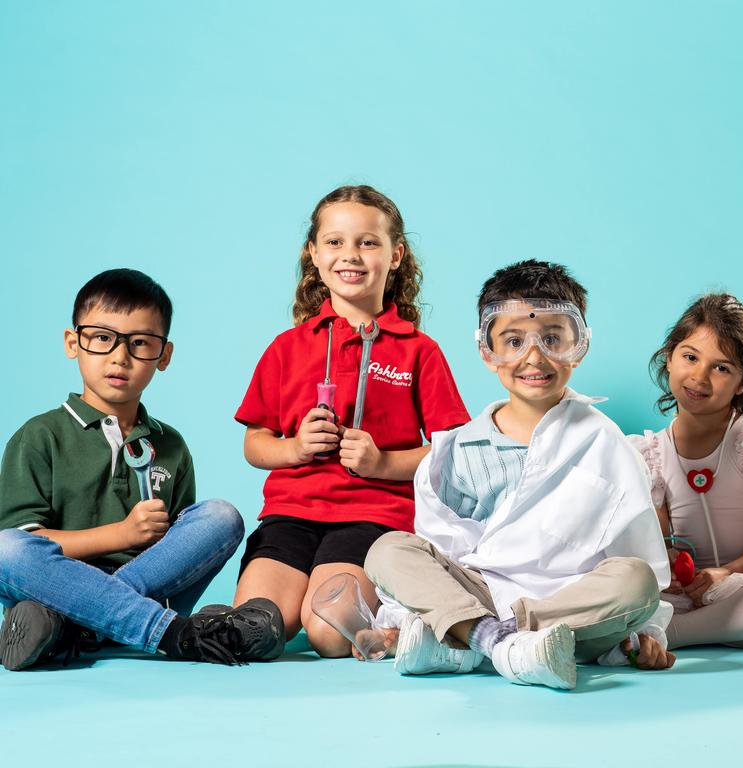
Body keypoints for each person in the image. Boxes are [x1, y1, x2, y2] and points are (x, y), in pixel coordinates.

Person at [365, 259, 674, 690]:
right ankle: (496, 642)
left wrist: (648, 632)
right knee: (388, 549)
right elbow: (440, 552)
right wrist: (411, 614)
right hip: (478, 597)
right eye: (513, 341)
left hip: (569, 615)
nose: (534, 357)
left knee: (636, 580)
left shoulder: (607, 443)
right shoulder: (455, 450)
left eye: (552, 338)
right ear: (486, 351)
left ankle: (473, 644)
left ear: (579, 346)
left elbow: (641, 558)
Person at [0, 268, 284, 671]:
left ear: (163, 355)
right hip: (55, 587)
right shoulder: (39, 437)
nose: (120, 357)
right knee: (5, 548)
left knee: (221, 516)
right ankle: (171, 633)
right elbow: (27, 542)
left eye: (140, 344)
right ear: (72, 343)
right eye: (102, 338)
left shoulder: (170, 445)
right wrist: (121, 534)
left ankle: (78, 627)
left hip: (146, 587)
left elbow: (178, 550)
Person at [234, 185, 470, 657]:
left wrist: (382, 462)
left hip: (373, 517)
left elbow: (453, 452)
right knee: (258, 625)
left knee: (326, 632)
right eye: (335, 242)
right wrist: (295, 448)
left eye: (368, 242)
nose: (351, 255)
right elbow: (256, 443)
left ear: (396, 254)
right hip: (290, 515)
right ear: (314, 255)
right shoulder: (287, 346)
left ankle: (397, 628)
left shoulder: (418, 351)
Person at [631, 293, 743, 652]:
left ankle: (678, 635)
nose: (700, 377)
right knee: (630, 586)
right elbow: (662, 544)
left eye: (721, 367)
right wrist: (673, 575)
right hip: (689, 595)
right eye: (690, 357)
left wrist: (727, 571)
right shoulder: (650, 455)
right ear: (668, 358)